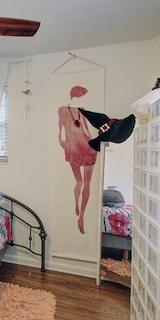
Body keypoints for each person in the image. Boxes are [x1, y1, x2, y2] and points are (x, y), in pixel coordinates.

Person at [58, 86, 97, 234]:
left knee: (86, 183)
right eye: (81, 95)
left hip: (87, 148)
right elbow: (60, 132)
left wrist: (95, 142)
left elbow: (87, 131)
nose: (82, 98)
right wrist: (64, 145)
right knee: (79, 182)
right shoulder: (62, 110)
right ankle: (76, 203)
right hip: (73, 149)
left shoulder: (82, 110)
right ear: (74, 95)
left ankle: (82, 216)